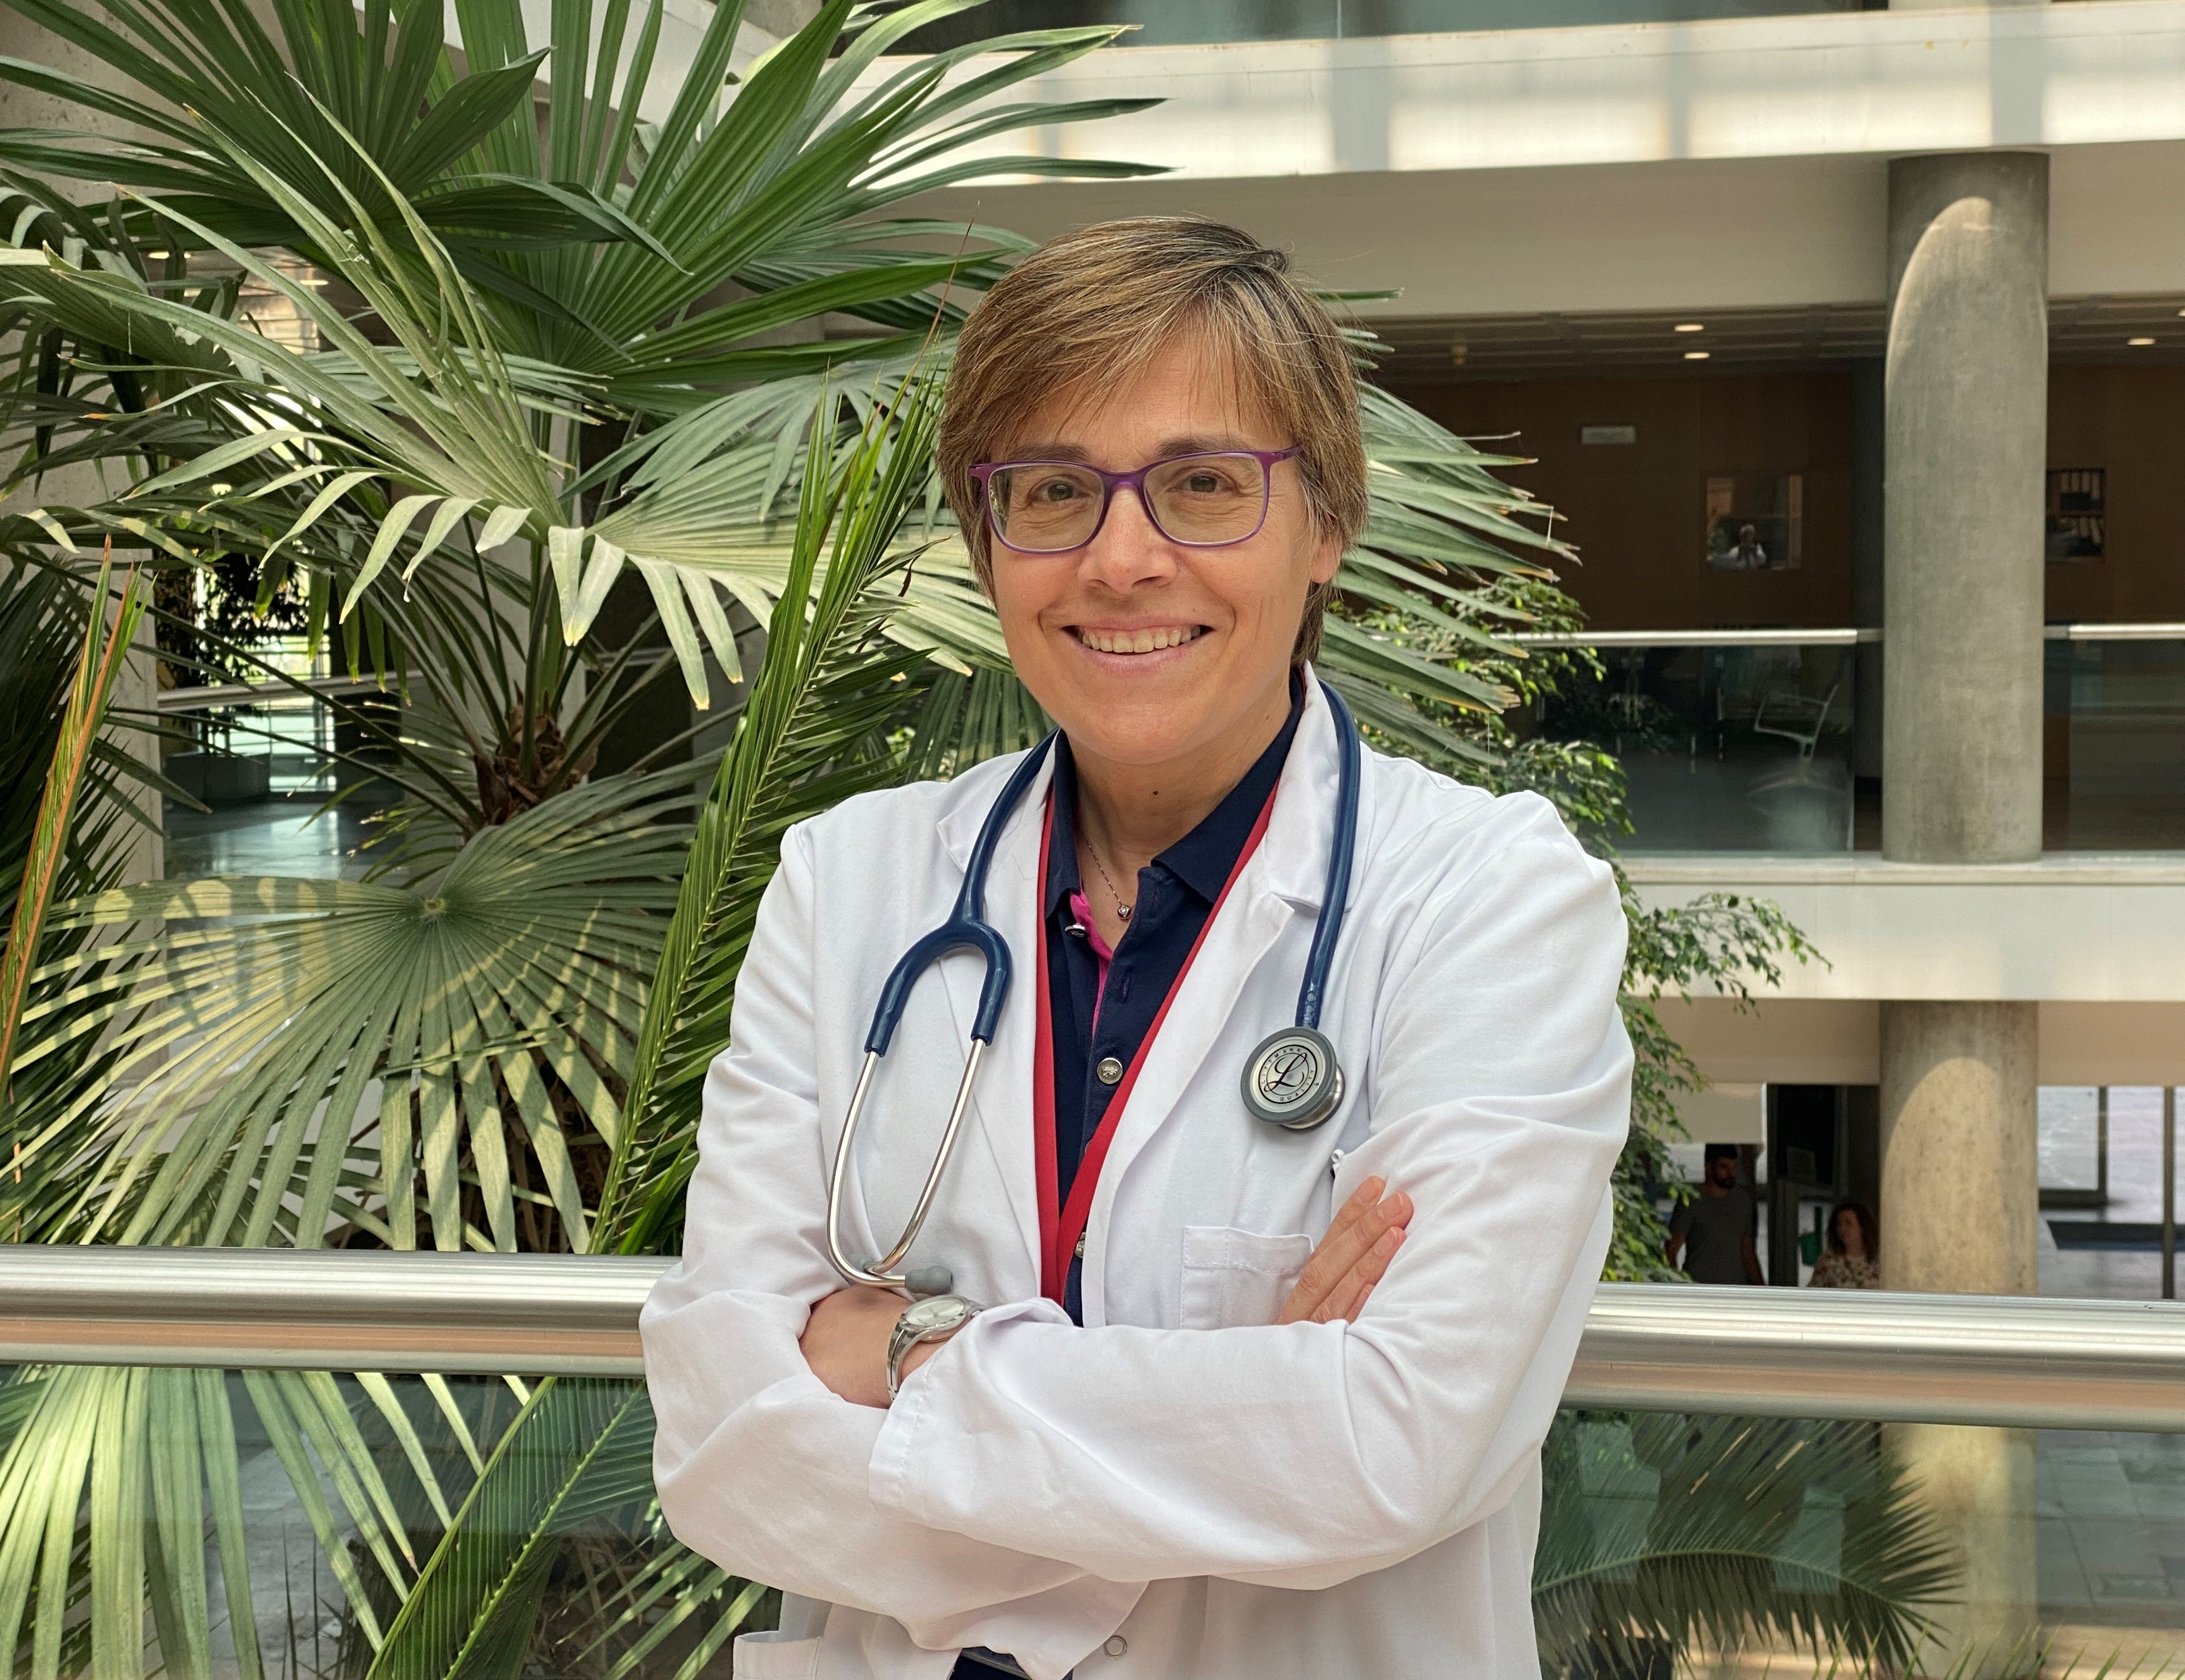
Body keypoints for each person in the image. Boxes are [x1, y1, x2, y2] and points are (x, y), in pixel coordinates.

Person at [640, 217, 1633, 1680]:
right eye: (1051, 492)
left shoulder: (1493, 899)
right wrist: (1253, 1403)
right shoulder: (846, 884)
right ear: (987, 546)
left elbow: (1396, 1445)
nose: (1121, 559)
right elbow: (724, 1445)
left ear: (1328, 527)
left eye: (1204, 485)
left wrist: (902, 1356)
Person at [1666, 1144, 1764, 1286]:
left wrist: (1761, 1288)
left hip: (1735, 1288)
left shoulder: (1742, 1201)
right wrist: (1677, 1287)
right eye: (1724, 1167)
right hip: (1699, 1287)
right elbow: (1671, 1249)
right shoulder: (1692, 1200)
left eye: (1734, 1167)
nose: (1731, 1174)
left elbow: (1747, 1251)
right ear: (1708, 1167)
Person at [1809, 1201, 1880, 1289]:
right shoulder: (1828, 1262)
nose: (1842, 1229)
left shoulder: (1878, 1261)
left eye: (1848, 1223)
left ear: (1863, 1227)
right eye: (1839, 1224)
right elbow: (1813, 1292)